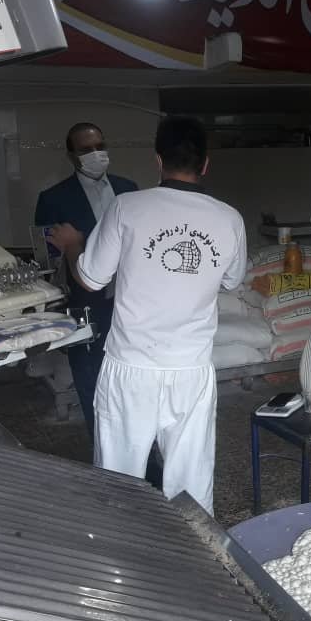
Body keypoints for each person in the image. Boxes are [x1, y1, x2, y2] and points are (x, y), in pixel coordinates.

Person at [48, 116, 247, 515]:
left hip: (131, 367)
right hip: (190, 369)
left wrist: (72, 245)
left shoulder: (127, 207)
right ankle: (194, 548)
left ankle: (121, 549)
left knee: (118, 479)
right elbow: (231, 280)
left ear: (158, 160)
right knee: (191, 483)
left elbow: (90, 278)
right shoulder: (230, 219)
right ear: (205, 164)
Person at [35, 122, 137, 438]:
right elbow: (46, 260)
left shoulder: (129, 190)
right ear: (72, 156)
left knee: (131, 378)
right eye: (86, 150)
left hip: (130, 299)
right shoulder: (54, 198)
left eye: (100, 147)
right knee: (90, 377)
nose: (96, 154)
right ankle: (102, 444)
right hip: (85, 301)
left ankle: (140, 444)